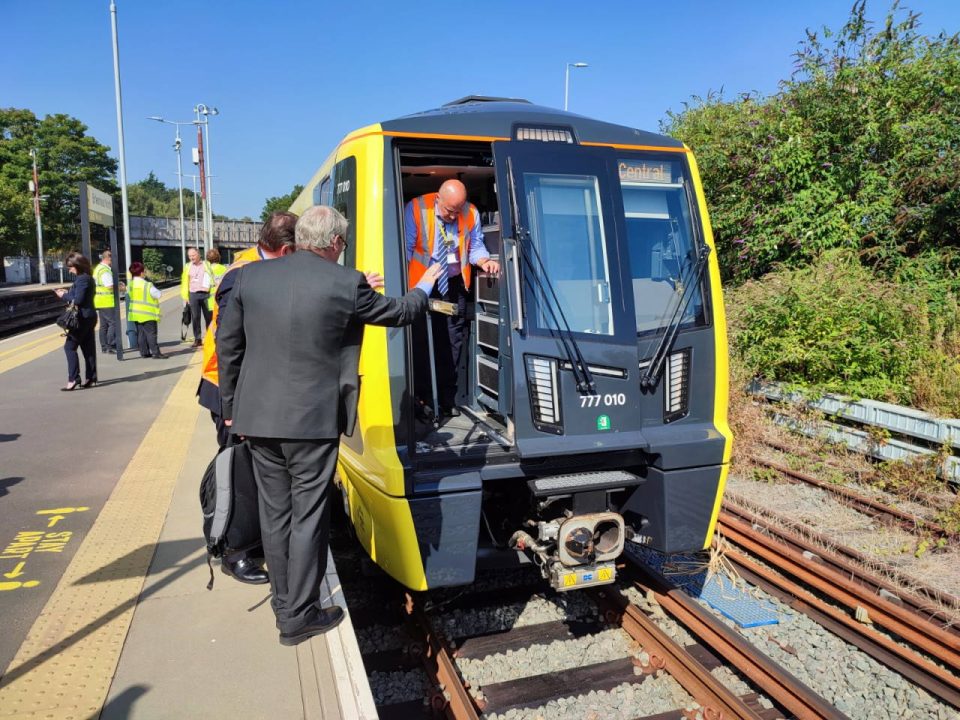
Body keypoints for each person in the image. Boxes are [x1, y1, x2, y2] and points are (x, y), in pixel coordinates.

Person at [218, 206, 441, 646]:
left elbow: (230, 346)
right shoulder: (346, 282)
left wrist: (230, 409)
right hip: (312, 423)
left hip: (257, 418)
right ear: (335, 242)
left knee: (275, 513)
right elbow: (398, 313)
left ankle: (285, 604)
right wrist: (424, 287)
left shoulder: (248, 277)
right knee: (308, 516)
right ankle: (299, 616)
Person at [196, 211, 300, 585]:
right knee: (240, 471)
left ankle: (254, 542)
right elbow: (228, 346)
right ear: (286, 248)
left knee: (258, 470)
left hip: (249, 387)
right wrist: (230, 408)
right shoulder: (241, 275)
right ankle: (235, 553)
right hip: (229, 389)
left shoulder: (260, 268)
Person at [405, 179, 499, 417]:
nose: (453, 216)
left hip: (454, 285)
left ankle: (447, 399)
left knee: (452, 340)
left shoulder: (470, 212)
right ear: (438, 199)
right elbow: (406, 249)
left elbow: (475, 245)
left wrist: (484, 260)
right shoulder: (416, 208)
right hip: (424, 284)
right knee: (422, 342)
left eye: (457, 210)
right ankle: (423, 398)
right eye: (448, 211)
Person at [54, 252, 98, 391]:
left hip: (82, 319)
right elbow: (80, 296)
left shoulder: (82, 279)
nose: (69, 269)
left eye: (71, 266)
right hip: (89, 317)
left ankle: (73, 379)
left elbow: (78, 300)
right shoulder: (87, 278)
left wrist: (63, 296)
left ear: (78, 265)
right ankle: (91, 377)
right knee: (88, 348)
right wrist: (68, 292)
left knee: (69, 347)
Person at [127, 262, 165, 359]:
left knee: (141, 334)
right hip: (147, 313)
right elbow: (158, 294)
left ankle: (144, 353)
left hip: (136, 313)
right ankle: (156, 353)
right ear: (141, 273)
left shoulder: (130, 285)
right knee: (151, 334)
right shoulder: (147, 285)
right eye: (144, 271)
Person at [180, 247, 214, 347]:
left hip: (206, 295)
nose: (191, 258)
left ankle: (209, 338)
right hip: (193, 294)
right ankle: (197, 339)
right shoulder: (187, 266)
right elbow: (184, 282)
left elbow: (213, 278)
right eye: (190, 256)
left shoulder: (207, 265)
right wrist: (185, 297)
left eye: (193, 255)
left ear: (199, 254)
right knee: (195, 318)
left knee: (209, 317)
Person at [92, 250, 117, 354]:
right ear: (108, 258)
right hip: (107, 301)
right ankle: (111, 345)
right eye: (112, 259)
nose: (113, 261)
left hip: (99, 300)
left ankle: (104, 346)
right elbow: (109, 286)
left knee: (104, 325)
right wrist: (121, 287)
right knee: (113, 323)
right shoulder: (105, 271)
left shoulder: (98, 268)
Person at [205, 248, 227, 312]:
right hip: (221, 299)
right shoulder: (224, 268)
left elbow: (205, 286)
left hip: (209, 301)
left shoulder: (206, 269)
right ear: (218, 257)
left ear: (208, 258)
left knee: (209, 321)